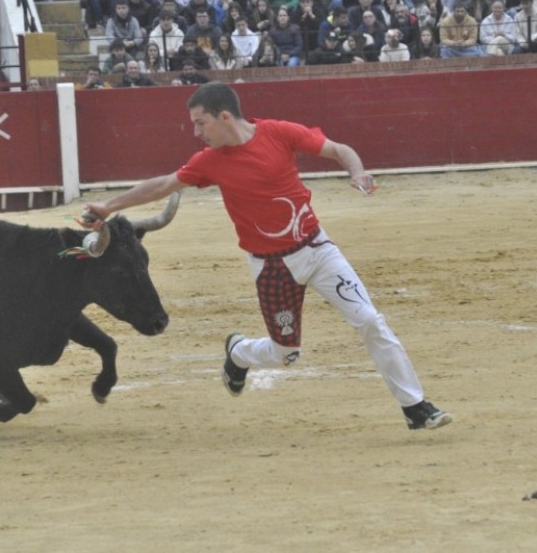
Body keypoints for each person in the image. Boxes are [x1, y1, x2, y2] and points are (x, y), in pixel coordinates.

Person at [82, 81, 454, 432]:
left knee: (370, 320)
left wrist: (357, 172)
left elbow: (339, 149)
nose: (197, 132)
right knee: (285, 354)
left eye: (201, 123)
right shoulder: (209, 160)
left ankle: (415, 408)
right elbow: (163, 184)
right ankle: (240, 352)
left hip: (317, 249)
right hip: (272, 267)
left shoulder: (279, 132)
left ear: (224, 116)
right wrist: (108, 206)